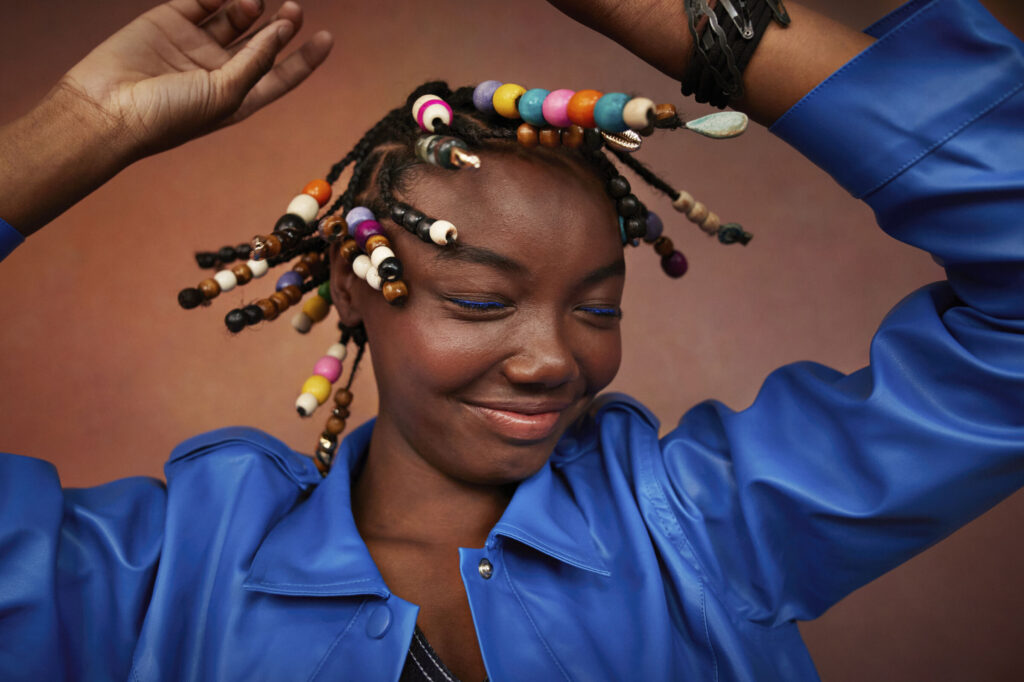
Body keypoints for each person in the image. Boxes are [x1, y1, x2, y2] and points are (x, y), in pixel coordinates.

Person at [1, 0, 1021, 680]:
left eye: (597, 305)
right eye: (483, 303)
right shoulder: (154, 580)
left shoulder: (705, 531)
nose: (551, 359)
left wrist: (693, 20)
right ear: (356, 290)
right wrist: (84, 126)